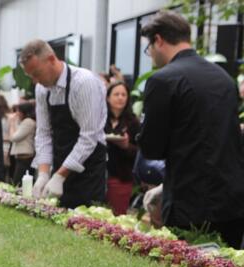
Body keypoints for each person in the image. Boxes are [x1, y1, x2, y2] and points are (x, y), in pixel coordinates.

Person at [138, 10, 244, 248]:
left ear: (158, 40)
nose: (151, 55)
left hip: (190, 203)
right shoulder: (224, 78)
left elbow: (151, 147)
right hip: (232, 201)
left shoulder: (162, 80)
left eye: (149, 48)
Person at [20, 39, 107, 209]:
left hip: (88, 170)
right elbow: (43, 132)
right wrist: (44, 174)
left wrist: (60, 176)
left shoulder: (83, 82)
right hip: (59, 163)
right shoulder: (42, 89)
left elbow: (89, 136)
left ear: (52, 59)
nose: (35, 81)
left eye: (37, 74)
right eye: (31, 77)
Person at [105, 82, 139, 215]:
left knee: (117, 216)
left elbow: (139, 152)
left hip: (121, 176)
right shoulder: (101, 118)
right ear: (108, 98)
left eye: (124, 95)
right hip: (98, 173)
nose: (120, 98)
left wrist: (126, 146)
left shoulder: (133, 121)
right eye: (116, 94)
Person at [9, 101, 37, 186]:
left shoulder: (28, 122)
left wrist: (12, 123)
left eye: (18, 111)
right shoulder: (25, 122)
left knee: (18, 183)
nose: (17, 113)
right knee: (18, 182)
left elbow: (14, 137)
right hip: (22, 157)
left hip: (25, 157)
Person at [0, 94, 14, 182]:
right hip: (5, 146)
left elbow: (11, 135)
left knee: (5, 169)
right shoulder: (8, 117)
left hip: (5, 146)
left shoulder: (9, 117)